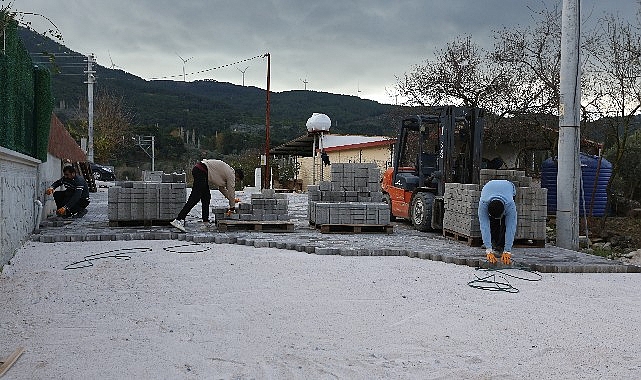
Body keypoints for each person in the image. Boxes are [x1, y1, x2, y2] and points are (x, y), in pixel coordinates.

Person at [170, 159, 244, 232]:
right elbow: (231, 190)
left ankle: (206, 222)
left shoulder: (227, 172)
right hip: (201, 171)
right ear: (237, 175)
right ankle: (179, 220)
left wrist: (232, 200)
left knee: (206, 197)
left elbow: (222, 189)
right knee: (195, 198)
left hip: (201, 171)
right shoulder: (231, 174)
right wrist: (232, 208)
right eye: (237, 180)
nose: (235, 182)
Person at [478, 179, 517, 265]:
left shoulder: (510, 205)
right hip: (489, 187)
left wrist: (508, 250)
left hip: (508, 187)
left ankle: (501, 247)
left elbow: (511, 226)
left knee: (505, 222)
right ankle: (492, 244)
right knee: (492, 222)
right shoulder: (483, 204)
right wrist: (488, 249)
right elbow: (484, 225)